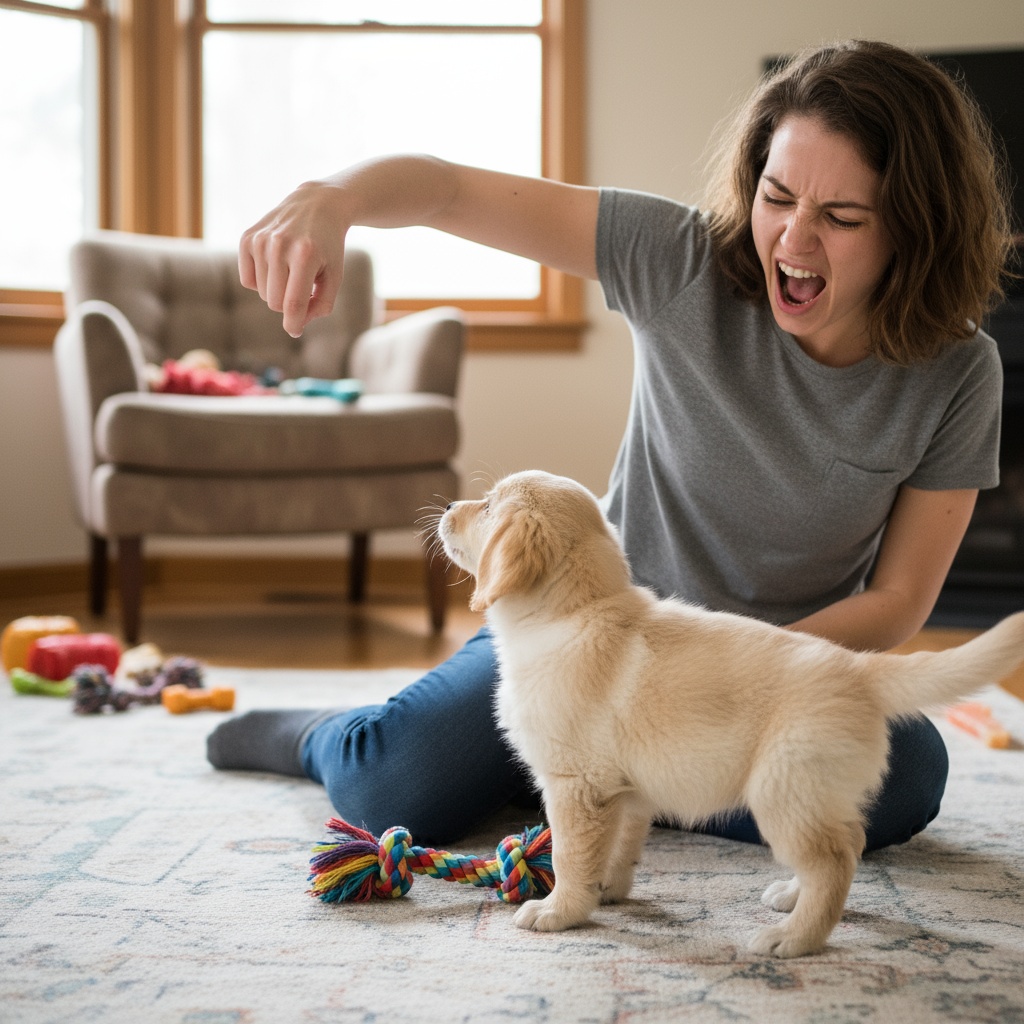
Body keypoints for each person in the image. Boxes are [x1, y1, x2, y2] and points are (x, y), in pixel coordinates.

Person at [207, 40, 1014, 850]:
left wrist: (736, 678)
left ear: (914, 228)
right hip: (587, 641)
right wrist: (330, 197)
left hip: (764, 675)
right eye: (777, 197)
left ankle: (594, 776)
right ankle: (330, 734)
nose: (793, 241)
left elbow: (901, 598)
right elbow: (448, 190)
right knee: (394, 783)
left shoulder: (959, 371)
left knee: (906, 778)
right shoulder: (679, 260)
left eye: (842, 217)